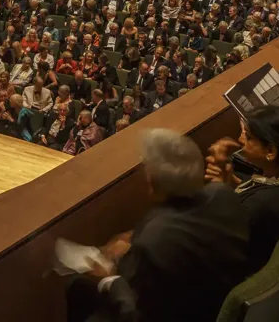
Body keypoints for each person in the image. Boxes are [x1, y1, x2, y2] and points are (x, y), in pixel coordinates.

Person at [65, 128, 249, 322]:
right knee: (78, 287)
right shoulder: (224, 195)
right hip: (219, 300)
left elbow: (134, 313)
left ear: (151, 181)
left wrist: (108, 277)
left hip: (181, 313)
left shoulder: (154, 239)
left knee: (80, 288)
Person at [205, 106, 279, 273]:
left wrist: (218, 190)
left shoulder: (257, 207)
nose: (241, 139)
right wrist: (231, 181)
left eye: (248, 137)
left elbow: (215, 240)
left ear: (270, 151)